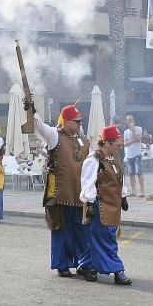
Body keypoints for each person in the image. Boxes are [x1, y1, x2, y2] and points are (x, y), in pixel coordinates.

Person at [28, 104, 90, 276]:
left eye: (80, 121)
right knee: (60, 229)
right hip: (58, 193)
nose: (79, 124)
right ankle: (62, 265)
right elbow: (38, 125)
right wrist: (32, 111)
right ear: (66, 121)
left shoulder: (84, 140)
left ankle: (83, 263)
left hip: (79, 194)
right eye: (76, 121)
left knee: (81, 231)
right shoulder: (54, 135)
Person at [77, 125, 131, 285]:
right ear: (107, 143)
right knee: (106, 239)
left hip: (113, 205)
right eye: (117, 144)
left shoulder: (114, 157)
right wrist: (91, 203)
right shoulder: (94, 159)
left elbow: (120, 178)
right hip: (99, 206)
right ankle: (117, 269)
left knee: (98, 238)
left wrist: (123, 195)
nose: (119, 147)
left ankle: (85, 264)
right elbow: (87, 183)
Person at [122, 114, 146, 198]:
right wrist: (133, 140)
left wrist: (133, 131)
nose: (129, 122)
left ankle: (142, 191)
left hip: (137, 154)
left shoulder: (138, 129)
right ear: (126, 122)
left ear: (134, 121)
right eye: (128, 120)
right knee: (131, 174)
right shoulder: (125, 132)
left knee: (139, 173)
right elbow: (125, 143)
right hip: (129, 155)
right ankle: (133, 191)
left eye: (131, 120)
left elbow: (138, 139)